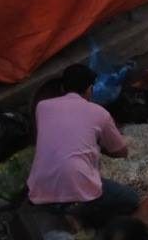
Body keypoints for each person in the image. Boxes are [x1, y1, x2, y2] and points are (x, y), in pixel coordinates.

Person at [27, 65, 138, 227]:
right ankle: (79, 214)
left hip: (39, 189)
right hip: (79, 187)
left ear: (62, 88)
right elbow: (121, 152)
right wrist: (102, 145)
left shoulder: (42, 107)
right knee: (131, 199)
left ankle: (63, 211)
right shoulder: (99, 113)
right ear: (89, 89)